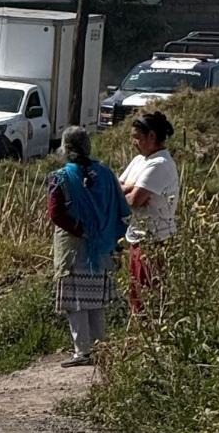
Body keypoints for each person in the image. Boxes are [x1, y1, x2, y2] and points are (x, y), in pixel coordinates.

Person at [48, 126, 130, 367]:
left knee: (76, 301)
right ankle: (100, 346)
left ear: (66, 148)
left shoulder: (61, 177)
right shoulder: (105, 174)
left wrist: (81, 230)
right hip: (103, 246)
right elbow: (121, 209)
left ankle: (82, 351)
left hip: (73, 247)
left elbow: (56, 214)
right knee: (96, 302)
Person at [118, 111, 179, 314]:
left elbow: (134, 200)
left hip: (154, 239)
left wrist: (132, 191)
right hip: (139, 236)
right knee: (135, 292)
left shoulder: (160, 164)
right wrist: (133, 188)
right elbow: (118, 188)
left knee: (147, 296)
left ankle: (147, 337)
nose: (134, 142)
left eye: (138, 137)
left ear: (152, 136)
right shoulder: (139, 161)